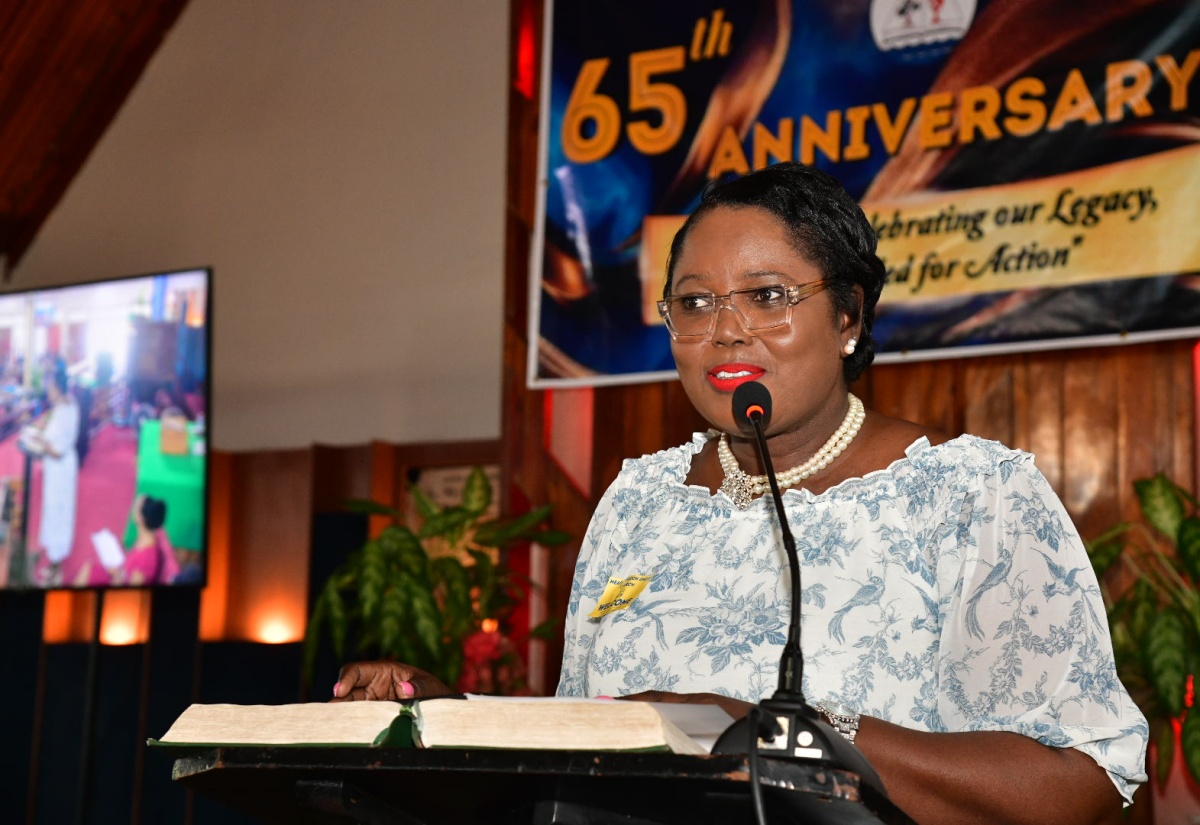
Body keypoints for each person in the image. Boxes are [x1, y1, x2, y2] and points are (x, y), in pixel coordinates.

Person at [332, 163, 1147, 824]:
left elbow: (1080, 782)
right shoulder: (638, 501)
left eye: (768, 295)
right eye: (695, 302)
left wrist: (783, 731)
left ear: (849, 317)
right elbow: (587, 746)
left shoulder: (969, 494)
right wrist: (440, 715)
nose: (726, 329)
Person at [26, 365, 81, 587]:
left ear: (58, 388)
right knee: (54, 511)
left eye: (49, 387)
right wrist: (40, 436)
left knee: (59, 514)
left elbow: (58, 451)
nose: (47, 391)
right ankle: (52, 558)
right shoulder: (66, 404)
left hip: (61, 470)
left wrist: (39, 443)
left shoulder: (65, 412)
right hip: (59, 469)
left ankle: (55, 568)